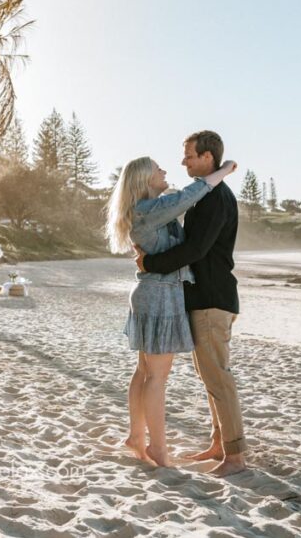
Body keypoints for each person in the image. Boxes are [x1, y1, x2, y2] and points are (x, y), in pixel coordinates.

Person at [105, 155, 237, 467]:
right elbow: (190, 195)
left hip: (151, 292)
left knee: (144, 371)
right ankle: (158, 449)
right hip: (160, 295)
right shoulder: (149, 209)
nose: (165, 170)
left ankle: (136, 436)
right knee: (157, 377)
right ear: (145, 180)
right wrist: (223, 171)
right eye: (157, 169)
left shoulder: (147, 208)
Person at [136, 130, 247, 477]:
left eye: (189, 155)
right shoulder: (205, 195)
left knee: (218, 377)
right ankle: (219, 444)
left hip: (214, 298)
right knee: (209, 375)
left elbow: (195, 250)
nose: (183, 161)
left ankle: (235, 456)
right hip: (202, 298)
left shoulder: (216, 198)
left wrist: (149, 264)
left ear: (207, 157)